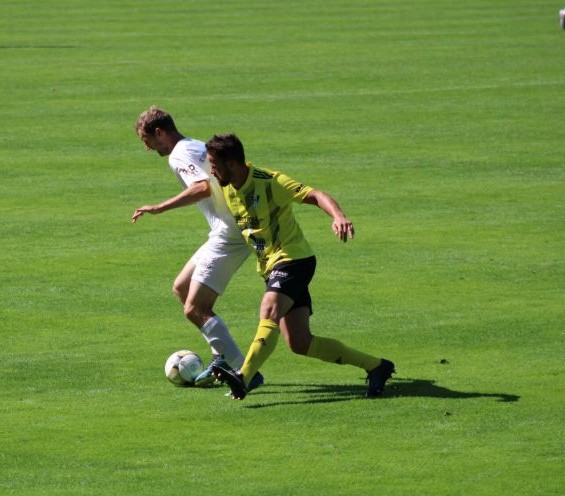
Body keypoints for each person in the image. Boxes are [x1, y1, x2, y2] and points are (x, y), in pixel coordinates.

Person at [204, 133, 395, 400]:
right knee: (300, 343)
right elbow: (199, 189)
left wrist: (338, 216)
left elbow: (314, 194)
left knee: (268, 309)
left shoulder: (271, 182)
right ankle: (377, 366)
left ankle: (243, 378)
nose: (211, 170)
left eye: (214, 164)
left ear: (232, 163)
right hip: (270, 266)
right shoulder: (224, 185)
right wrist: (159, 207)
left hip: (294, 259)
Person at [132, 108, 264, 390]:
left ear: (160, 132)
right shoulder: (193, 145)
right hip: (226, 230)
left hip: (228, 236)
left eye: (147, 140)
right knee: (181, 287)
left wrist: (159, 207)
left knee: (194, 309)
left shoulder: (180, 154)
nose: (147, 148)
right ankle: (221, 358)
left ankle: (244, 370)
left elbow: (202, 188)